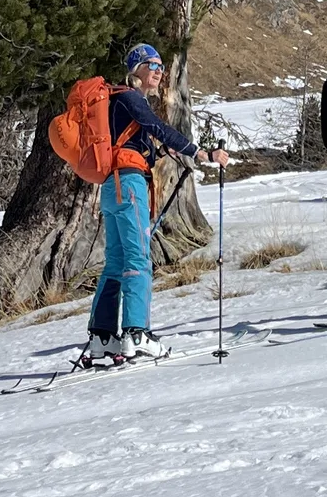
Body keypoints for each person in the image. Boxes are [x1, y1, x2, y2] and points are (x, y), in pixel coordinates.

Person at [80, 43, 227, 366]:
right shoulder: (130, 98)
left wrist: (161, 153)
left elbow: (137, 142)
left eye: (161, 66)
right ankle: (136, 333)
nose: (160, 72)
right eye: (152, 65)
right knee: (137, 259)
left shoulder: (116, 102)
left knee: (116, 261)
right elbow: (157, 127)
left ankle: (103, 337)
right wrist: (200, 152)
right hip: (129, 185)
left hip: (113, 187)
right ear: (136, 69)